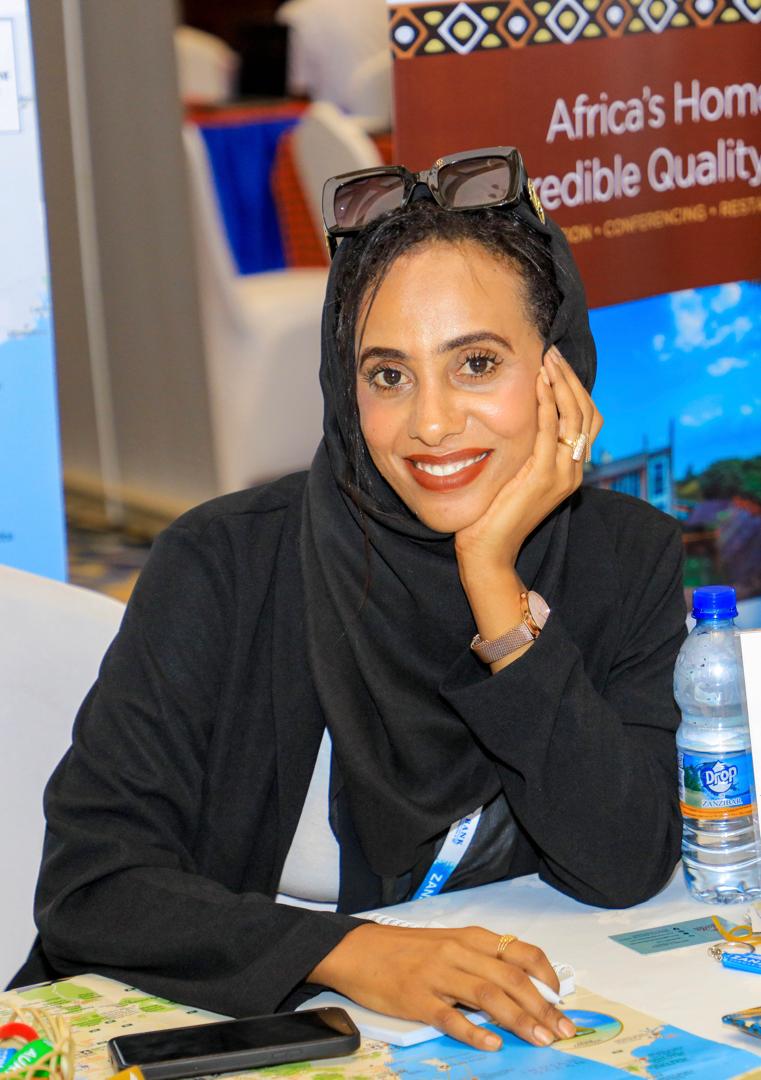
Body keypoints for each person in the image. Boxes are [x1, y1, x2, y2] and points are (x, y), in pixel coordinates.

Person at [12, 148, 686, 1054]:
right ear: (344, 388)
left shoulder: (623, 557)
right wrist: (348, 952)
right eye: (387, 375)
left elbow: (622, 863)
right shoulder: (225, 562)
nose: (431, 422)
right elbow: (94, 887)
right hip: (217, 1028)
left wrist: (494, 586)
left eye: (476, 363)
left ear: (557, 369)